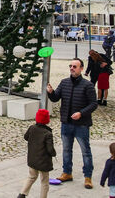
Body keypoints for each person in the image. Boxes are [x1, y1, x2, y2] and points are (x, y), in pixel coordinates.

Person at [46, 57, 98, 188]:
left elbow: (93, 104)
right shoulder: (64, 83)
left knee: (85, 151)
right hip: (66, 123)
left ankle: (88, 177)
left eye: (75, 66)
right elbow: (55, 98)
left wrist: (81, 113)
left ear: (81, 69)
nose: (72, 68)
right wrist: (51, 93)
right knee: (66, 150)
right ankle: (67, 173)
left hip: (82, 124)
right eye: (70, 66)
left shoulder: (88, 85)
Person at [18, 109, 55, 198]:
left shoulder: (32, 128)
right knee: (44, 181)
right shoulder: (48, 133)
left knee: (31, 177)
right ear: (47, 120)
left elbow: (26, 137)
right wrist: (54, 153)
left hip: (33, 159)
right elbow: (50, 150)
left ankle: (22, 194)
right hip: (43, 162)